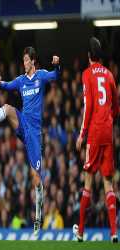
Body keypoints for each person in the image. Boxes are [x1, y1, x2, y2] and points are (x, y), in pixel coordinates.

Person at [0, 46, 60, 234]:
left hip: (35, 134)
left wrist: (57, 65)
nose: (24, 64)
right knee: (7, 108)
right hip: (23, 124)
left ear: (33, 61)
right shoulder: (21, 81)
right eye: (23, 61)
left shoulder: (41, 76)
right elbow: (7, 85)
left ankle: (38, 214)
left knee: (36, 179)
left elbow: (56, 76)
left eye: (26, 60)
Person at [73, 37, 119, 243]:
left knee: (88, 182)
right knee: (108, 183)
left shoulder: (86, 75)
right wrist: (110, 119)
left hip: (94, 131)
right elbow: (117, 106)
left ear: (89, 56)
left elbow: (88, 107)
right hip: (108, 131)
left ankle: (80, 232)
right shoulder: (109, 75)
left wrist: (82, 134)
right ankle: (114, 232)